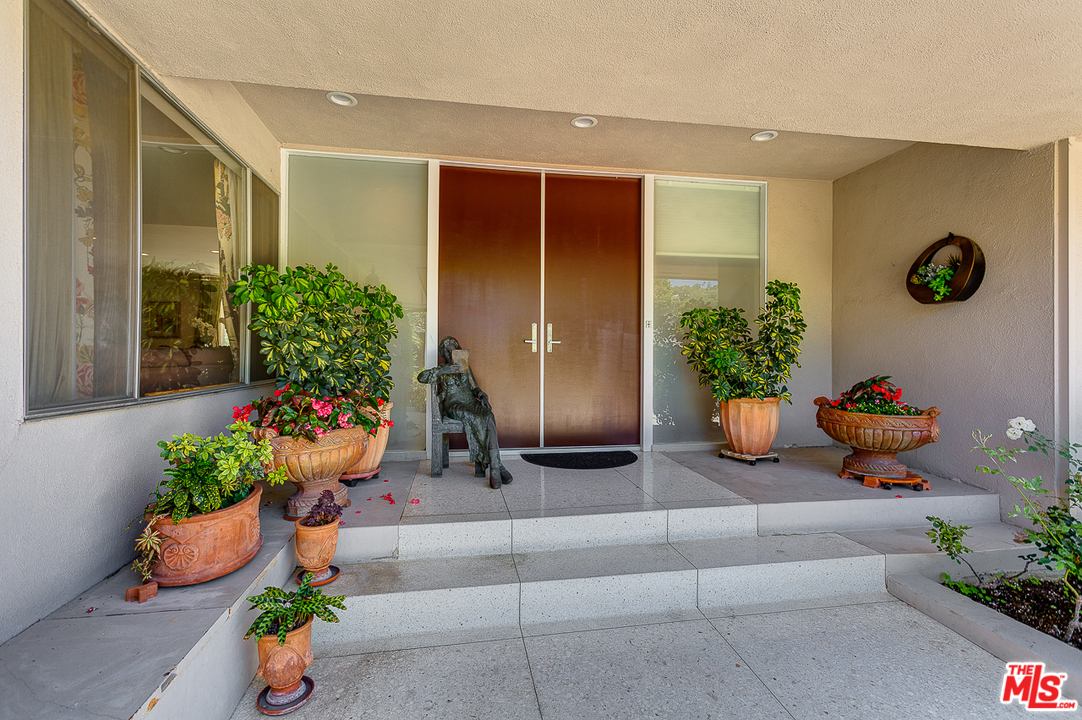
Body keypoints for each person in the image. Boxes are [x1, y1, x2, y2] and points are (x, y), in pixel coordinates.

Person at [417, 336, 513, 489]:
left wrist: (482, 395)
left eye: (452, 349)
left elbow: (474, 387)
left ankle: (497, 465)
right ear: (443, 353)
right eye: (446, 350)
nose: (449, 353)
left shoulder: (464, 367)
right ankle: (496, 468)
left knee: (488, 415)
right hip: (455, 405)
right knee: (476, 418)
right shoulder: (442, 370)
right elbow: (421, 378)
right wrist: (442, 370)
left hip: (470, 402)